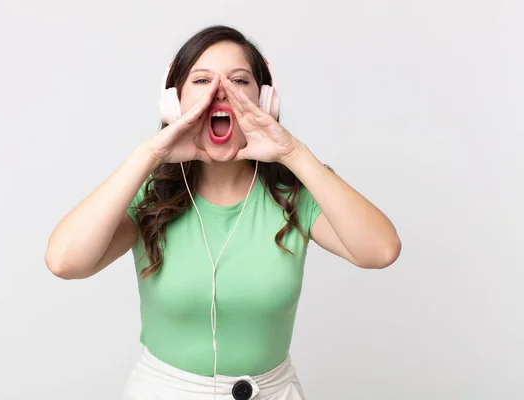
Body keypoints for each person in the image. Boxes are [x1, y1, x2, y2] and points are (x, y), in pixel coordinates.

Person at [45, 25, 402, 400]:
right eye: (201, 80)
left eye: (238, 80)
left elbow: (380, 251)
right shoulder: (149, 199)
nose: (219, 91)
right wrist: (149, 155)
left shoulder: (295, 197)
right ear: (174, 101)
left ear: (265, 100)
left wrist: (293, 154)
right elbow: (64, 261)